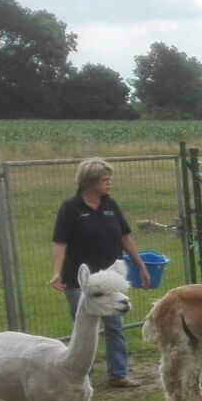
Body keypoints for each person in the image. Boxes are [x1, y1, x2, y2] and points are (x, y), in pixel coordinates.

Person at [50, 157, 151, 388]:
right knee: (84, 329)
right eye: (105, 179)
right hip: (81, 283)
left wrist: (140, 265)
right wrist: (56, 272)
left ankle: (119, 373)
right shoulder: (70, 208)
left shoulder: (110, 206)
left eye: (109, 178)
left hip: (109, 282)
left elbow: (125, 236)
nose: (109, 183)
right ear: (90, 181)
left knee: (115, 326)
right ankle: (82, 375)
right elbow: (60, 242)